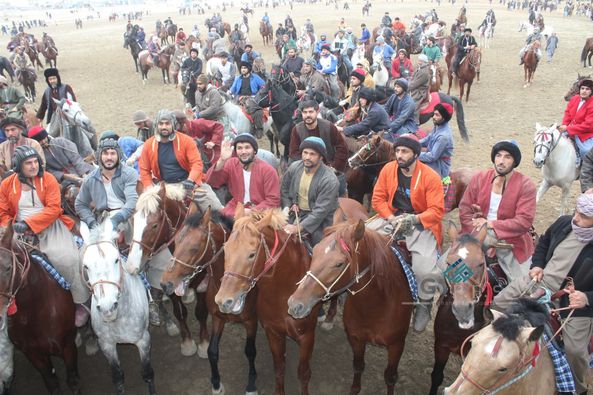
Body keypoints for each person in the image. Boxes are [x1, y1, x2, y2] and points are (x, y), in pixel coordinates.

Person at [492, 193, 593, 395]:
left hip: (573, 302)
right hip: (541, 281)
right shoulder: (565, 223)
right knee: (498, 303)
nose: (576, 218)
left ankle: (579, 388)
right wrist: (538, 265)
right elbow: (544, 242)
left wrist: (587, 298)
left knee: (575, 350)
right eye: (576, 211)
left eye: (583, 216)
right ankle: (492, 354)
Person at [0, 145, 90, 326]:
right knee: (5, 263)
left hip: (50, 226)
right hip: (18, 230)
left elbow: (54, 209)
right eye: (28, 163)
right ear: (18, 166)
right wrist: (10, 226)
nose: (34, 166)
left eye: (35, 162)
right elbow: (3, 212)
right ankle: (9, 304)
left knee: (67, 258)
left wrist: (29, 223)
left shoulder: (48, 179)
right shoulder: (6, 184)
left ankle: (81, 301)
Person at [367, 134, 444, 332]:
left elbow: (436, 211)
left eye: (404, 152)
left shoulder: (431, 177)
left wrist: (414, 219)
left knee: (425, 270)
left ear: (416, 154)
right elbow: (378, 199)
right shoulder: (388, 169)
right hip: (392, 217)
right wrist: (391, 218)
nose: (399, 155)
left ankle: (424, 305)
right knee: (361, 239)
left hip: (420, 223)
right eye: (397, 151)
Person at [459, 141, 536, 281]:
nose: (501, 161)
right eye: (498, 156)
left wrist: (490, 224)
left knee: (522, 286)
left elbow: (524, 221)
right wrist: (475, 229)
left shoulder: (526, 185)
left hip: (511, 239)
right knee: (448, 268)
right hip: (475, 234)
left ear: (515, 162)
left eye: (507, 157)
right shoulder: (479, 178)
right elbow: (465, 210)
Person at [281, 137, 339, 245]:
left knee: (319, 247)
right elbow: (284, 189)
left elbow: (320, 211)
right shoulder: (294, 167)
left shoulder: (329, 180)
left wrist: (297, 228)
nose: (307, 157)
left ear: (321, 157)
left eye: (312, 154)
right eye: (305, 152)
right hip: (296, 212)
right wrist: (287, 206)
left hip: (321, 219)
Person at [205, 133, 280, 217]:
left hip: (260, 212)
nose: (243, 152)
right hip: (235, 209)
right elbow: (211, 181)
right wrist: (222, 160)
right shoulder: (231, 163)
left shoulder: (268, 171)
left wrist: (251, 211)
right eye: (239, 148)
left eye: (247, 147)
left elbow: (273, 201)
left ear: (254, 150)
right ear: (236, 151)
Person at [289, 100, 348, 194]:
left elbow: (342, 148)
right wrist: (307, 166)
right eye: (305, 112)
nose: (308, 115)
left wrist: (334, 166)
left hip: (329, 169)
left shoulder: (329, 126)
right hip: (307, 170)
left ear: (317, 111)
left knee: (338, 195)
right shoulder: (297, 130)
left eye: (311, 112)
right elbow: (294, 153)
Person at [138, 109, 204, 193]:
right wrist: (149, 186)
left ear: (173, 125)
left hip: (187, 183)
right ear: (156, 125)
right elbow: (144, 169)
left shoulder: (187, 141)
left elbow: (196, 163)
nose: (164, 127)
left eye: (167, 123)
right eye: (161, 124)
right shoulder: (149, 144)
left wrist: (190, 180)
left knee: (212, 202)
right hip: (165, 185)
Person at [27, 125, 93, 186]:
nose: (44, 142)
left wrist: (83, 173)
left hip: (81, 169)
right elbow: (48, 171)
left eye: (44, 138)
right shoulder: (38, 156)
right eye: (40, 141)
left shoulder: (61, 142)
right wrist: (64, 176)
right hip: (64, 179)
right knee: (72, 192)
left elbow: (76, 158)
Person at [559, 78, 593, 158]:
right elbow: (568, 114)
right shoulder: (575, 98)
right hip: (570, 130)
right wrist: (564, 125)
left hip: (586, 134)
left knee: (587, 151)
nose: (584, 91)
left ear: (591, 91)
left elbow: (588, 125)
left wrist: (568, 129)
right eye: (582, 88)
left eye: (587, 89)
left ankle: (586, 169)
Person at [418, 103, 454, 179]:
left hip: (439, 166)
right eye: (434, 114)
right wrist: (412, 144)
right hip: (432, 160)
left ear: (444, 118)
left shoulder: (443, 136)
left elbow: (432, 156)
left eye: (437, 115)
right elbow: (427, 140)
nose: (433, 117)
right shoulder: (438, 126)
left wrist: (415, 155)